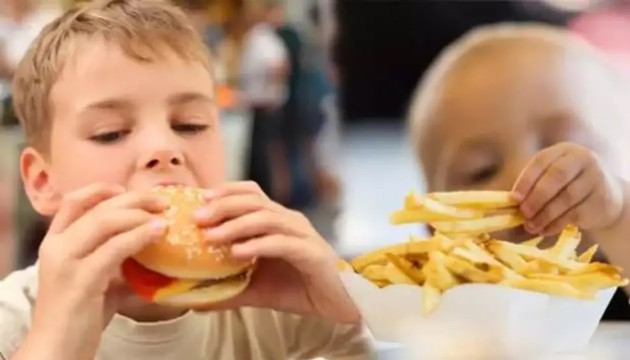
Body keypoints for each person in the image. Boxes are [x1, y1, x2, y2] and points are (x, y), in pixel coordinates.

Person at [0, 1, 373, 359]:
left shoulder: (270, 302)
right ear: (43, 182)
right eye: (110, 133)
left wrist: (351, 303)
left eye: (189, 125)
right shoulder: (15, 321)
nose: (164, 148)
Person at [408, 23, 630, 320]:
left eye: (567, 148)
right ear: (435, 228)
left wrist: (617, 215)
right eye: (482, 171)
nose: (526, 176)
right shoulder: (446, 315)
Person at [239, 0, 290, 203]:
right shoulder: (264, 36)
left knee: (264, 157)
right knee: (267, 154)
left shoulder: (262, 36)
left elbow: (279, 65)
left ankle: (267, 199)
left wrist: (270, 88)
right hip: (265, 103)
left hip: (264, 104)